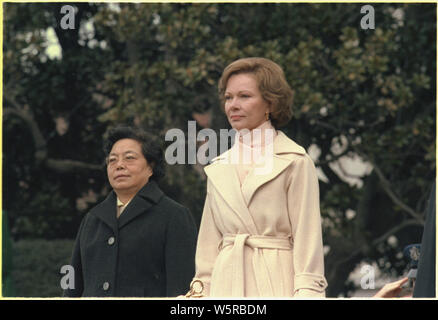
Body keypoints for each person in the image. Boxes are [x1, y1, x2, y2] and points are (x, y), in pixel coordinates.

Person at [186, 57, 327, 298]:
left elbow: (308, 242)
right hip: (224, 289)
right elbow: (207, 252)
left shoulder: (295, 161)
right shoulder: (218, 167)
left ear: (270, 103)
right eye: (228, 97)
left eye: (245, 96)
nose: (233, 105)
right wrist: (199, 296)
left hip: (277, 284)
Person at [64, 126, 197, 297]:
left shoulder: (174, 216)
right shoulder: (92, 219)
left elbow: (183, 287)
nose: (119, 165)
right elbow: (72, 287)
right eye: (112, 160)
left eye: (129, 158)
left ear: (151, 167)